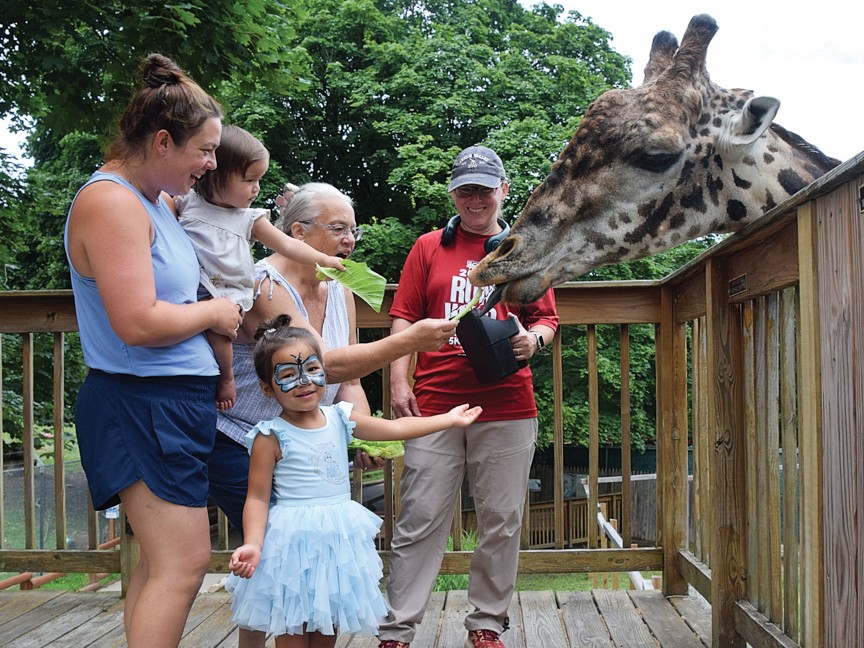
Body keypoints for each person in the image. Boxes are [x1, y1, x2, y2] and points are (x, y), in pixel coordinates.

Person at [208, 181, 462, 648]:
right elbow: (323, 364)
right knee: (281, 560)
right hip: (249, 440)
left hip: (313, 439)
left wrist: (359, 439)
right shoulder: (264, 284)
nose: (350, 240)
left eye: (354, 231)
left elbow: (349, 379)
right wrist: (408, 342)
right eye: (339, 229)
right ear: (298, 232)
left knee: (304, 567)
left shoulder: (338, 287)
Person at [63, 54, 243, 647]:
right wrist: (217, 312)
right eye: (205, 150)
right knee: (184, 563)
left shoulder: (157, 202)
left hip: (173, 401)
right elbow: (137, 322)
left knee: (160, 564)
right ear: (162, 141)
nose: (212, 165)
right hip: (140, 401)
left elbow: (231, 232)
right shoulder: (109, 202)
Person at [377, 146, 560, 648]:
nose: (475, 198)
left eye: (484, 188)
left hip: (506, 403)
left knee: (501, 519)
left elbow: (548, 319)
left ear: (503, 190)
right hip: (434, 403)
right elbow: (404, 317)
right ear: (453, 194)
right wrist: (397, 379)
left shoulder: (524, 249)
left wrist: (533, 341)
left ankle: (486, 624)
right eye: (465, 189)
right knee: (419, 518)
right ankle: (397, 629)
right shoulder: (427, 246)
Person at [226, 314, 483, 647]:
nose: (304, 382)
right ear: (267, 387)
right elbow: (258, 498)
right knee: (292, 629)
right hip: (290, 549)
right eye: (288, 374)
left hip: (334, 545)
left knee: (325, 631)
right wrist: (253, 543)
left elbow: (394, 429)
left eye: (313, 370)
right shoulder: (269, 436)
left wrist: (446, 420)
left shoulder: (339, 418)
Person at [174, 125, 345, 411]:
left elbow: (287, 245)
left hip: (226, 297)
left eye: (259, 180)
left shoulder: (248, 218)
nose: (257, 188)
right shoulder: (186, 202)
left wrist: (324, 259)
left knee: (221, 338)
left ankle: (226, 379)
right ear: (215, 175)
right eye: (249, 180)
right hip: (192, 292)